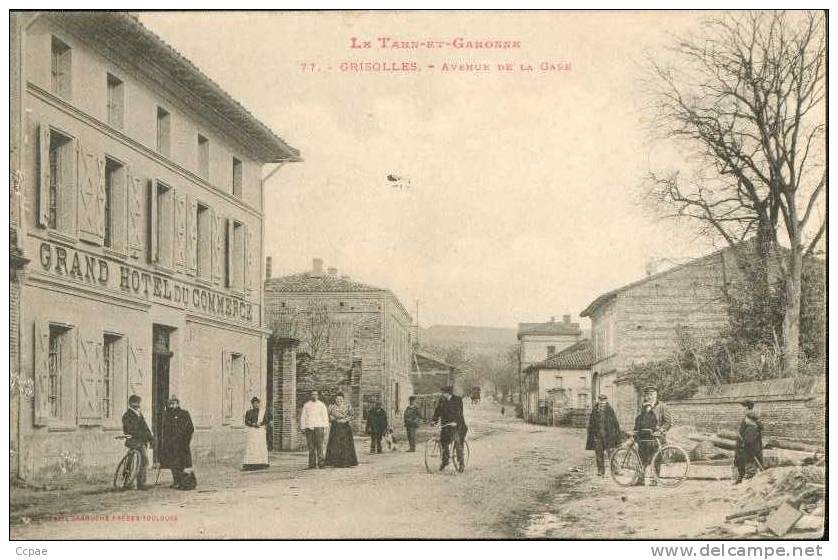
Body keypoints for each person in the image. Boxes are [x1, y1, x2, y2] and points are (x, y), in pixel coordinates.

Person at [633, 385, 673, 483]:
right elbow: (638, 421)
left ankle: (655, 479)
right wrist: (636, 431)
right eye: (647, 395)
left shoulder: (662, 406)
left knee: (656, 459)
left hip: (657, 438)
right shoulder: (642, 406)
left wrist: (660, 431)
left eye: (652, 394)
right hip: (644, 437)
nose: (649, 397)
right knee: (642, 458)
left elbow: (668, 422)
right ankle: (640, 480)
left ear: (656, 395)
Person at [158, 396, 194, 489]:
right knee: (173, 464)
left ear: (177, 404)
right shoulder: (167, 415)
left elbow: (190, 428)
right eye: (170, 403)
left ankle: (183, 482)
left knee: (182, 463)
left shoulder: (184, 413)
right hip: (171, 444)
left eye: (173, 403)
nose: (171, 405)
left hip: (181, 444)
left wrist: (186, 441)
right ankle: (176, 481)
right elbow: (165, 430)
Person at [431, 386, 468, 470]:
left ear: (448, 393)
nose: (442, 394)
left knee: (457, 443)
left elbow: (459, 412)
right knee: (443, 442)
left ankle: (461, 463)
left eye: (443, 393)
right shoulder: (442, 400)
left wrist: (455, 421)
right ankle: (445, 461)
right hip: (446, 426)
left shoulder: (458, 400)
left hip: (457, 426)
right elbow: (438, 411)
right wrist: (434, 420)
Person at [121, 395, 154, 490]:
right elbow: (130, 430)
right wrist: (143, 436)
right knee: (141, 460)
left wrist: (151, 438)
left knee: (142, 461)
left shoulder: (139, 414)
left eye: (138, 402)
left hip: (141, 441)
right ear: (130, 403)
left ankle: (140, 483)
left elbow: (146, 427)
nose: (138, 404)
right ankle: (129, 482)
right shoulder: (127, 415)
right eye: (135, 402)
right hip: (133, 441)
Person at [585, 394, 623, 476]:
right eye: (600, 401)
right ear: (598, 401)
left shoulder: (610, 410)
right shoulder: (595, 411)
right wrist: (592, 436)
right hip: (598, 437)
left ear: (606, 401)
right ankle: (600, 471)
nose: (602, 403)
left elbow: (615, 424)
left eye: (604, 401)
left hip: (609, 436)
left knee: (612, 454)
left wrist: (617, 437)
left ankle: (616, 470)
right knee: (599, 455)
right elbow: (591, 424)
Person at [324, 392, 359, 467]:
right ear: (335, 400)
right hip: (335, 427)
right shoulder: (331, 407)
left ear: (343, 399)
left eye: (340, 399)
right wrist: (331, 418)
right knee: (335, 444)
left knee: (345, 444)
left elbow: (352, 415)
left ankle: (346, 462)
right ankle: (335, 462)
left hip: (345, 427)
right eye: (337, 399)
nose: (338, 401)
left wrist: (346, 420)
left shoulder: (348, 406)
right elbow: (327, 416)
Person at [734, 400, 764, 484]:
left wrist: (744, 444)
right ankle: (740, 478)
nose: (742, 409)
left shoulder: (751, 421)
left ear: (747, 408)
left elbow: (749, 438)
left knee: (749, 462)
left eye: (743, 407)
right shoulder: (747, 419)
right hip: (744, 446)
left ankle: (748, 480)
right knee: (741, 462)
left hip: (748, 447)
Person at [300, 390, 329, 469]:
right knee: (311, 447)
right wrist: (303, 427)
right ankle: (312, 464)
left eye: (316, 394)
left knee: (320, 446)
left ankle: (321, 464)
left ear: (318, 396)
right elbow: (303, 417)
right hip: (309, 428)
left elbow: (325, 417)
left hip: (319, 427)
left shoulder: (321, 405)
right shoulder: (306, 405)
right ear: (310, 396)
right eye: (312, 394)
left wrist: (325, 428)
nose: (314, 396)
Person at [243, 397, 271, 470]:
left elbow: (267, 420)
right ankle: (250, 463)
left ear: (259, 403)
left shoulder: (263, 412)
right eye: (254, 403)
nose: (256, 405)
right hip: (252, 431)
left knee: (260, 446)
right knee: (252, 447)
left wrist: (260, 423)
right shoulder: (249, 412)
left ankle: (261, 463)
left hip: (260, 431)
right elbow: (246, 421)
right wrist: (253, 424)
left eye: (257, 403)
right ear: (252, 404)